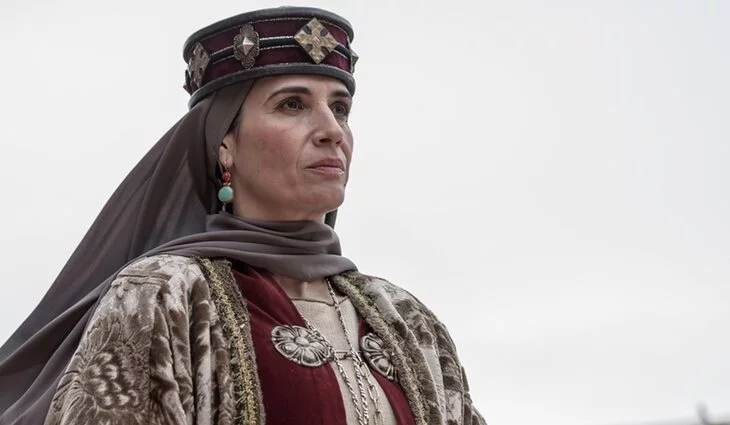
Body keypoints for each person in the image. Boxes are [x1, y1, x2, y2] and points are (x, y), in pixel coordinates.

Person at [0, 6, 485, 425]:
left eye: (341, 109)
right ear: (224, 145)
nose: (331, 130)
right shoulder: (164, 296)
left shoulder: (407, 320)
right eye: (292, 104)